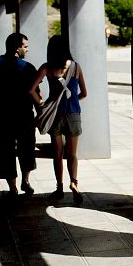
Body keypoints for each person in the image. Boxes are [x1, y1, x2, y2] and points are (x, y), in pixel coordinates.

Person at [29, 35, 88, 203]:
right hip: (74, 115)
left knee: (57, 153)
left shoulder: (47, 68)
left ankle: (59, 188)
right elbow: (84, 93)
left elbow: (31, 90)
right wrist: (73, 99)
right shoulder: (76, 67)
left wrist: (42, 104)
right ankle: (74, 183)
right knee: (72, 154)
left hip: (55, 116)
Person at [0, 32, 38, 197]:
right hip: (24, 115)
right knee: (26, 148)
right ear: (16, 48)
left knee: (5, 150)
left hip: (1, 116)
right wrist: (41, 111)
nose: (27, 50)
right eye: (25, 46)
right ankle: (25, 181)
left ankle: (12, 188)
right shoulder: (27, 67)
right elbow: (36, 92)